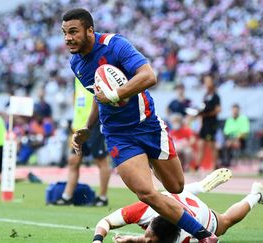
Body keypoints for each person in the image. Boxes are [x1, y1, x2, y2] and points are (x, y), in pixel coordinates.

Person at [61, 8, 218, 242]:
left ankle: (175, 198)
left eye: (73, 32)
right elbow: (98, 95)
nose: (68, 38)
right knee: (146, 193)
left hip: (149, 125)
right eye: (64, 33)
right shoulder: (76, 64)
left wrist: (116, 94)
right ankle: (205, 235)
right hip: (118, 135)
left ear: (90, 30)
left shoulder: (115, 45)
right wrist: (88, 127)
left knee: (176, 187)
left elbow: (149, 76)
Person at [91, 168, 263, 243]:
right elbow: (105, 221)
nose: (146, 237)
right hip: (176, 197)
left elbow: (150, 240)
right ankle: (199, 186)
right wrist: (97, 240)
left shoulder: (186, 239)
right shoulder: (145, 209)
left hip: (202, 217)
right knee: (167, 193)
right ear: (151, 221)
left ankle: (256, 194)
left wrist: (134, 240)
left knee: (226, 222)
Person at [54, 78, 111, 206]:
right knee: (73, 161)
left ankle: (102, 198)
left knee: (101, 160)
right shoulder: (77, 76)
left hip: (95, 124)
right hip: (79, 125)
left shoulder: (94, 71)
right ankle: (67, 196)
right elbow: (77, 99)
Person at [196, 74, 221, 171]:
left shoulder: (215, 96)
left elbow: (218, 110)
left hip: (211, 124)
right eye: (205, 81)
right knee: (201, 144)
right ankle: (197, 166)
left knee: (211, 145)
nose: (206, 83)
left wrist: (207, 114)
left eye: (208, 81)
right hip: (204, 124)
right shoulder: (205, 96)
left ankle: (214, 165)